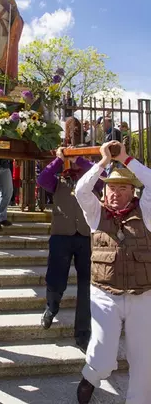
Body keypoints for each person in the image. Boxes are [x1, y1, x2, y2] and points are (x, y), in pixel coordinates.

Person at [75, 141, 151, 404]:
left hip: (143, 295)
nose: (116, 193)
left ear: (133, 192)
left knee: (144, 362)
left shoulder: (147, 213)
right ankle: (91, 376)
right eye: (111, 188)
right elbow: (81, 190)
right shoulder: (95, 214)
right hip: (104, 294)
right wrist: (104, 162)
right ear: (104, 192)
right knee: (103, 355)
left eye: (122, 188)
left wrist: (127, 159)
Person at [37, 147, 104, 352]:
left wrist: (81, 160)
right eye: (71, 160)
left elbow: (104, 175)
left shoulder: (92, 180)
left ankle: (82, 334)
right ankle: (52, 306)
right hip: (61, 236)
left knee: (86, 287)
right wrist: (59, 160)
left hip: (86, 238)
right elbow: (42, 179)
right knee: (55, 278)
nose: (73, 164)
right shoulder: (58, 180)